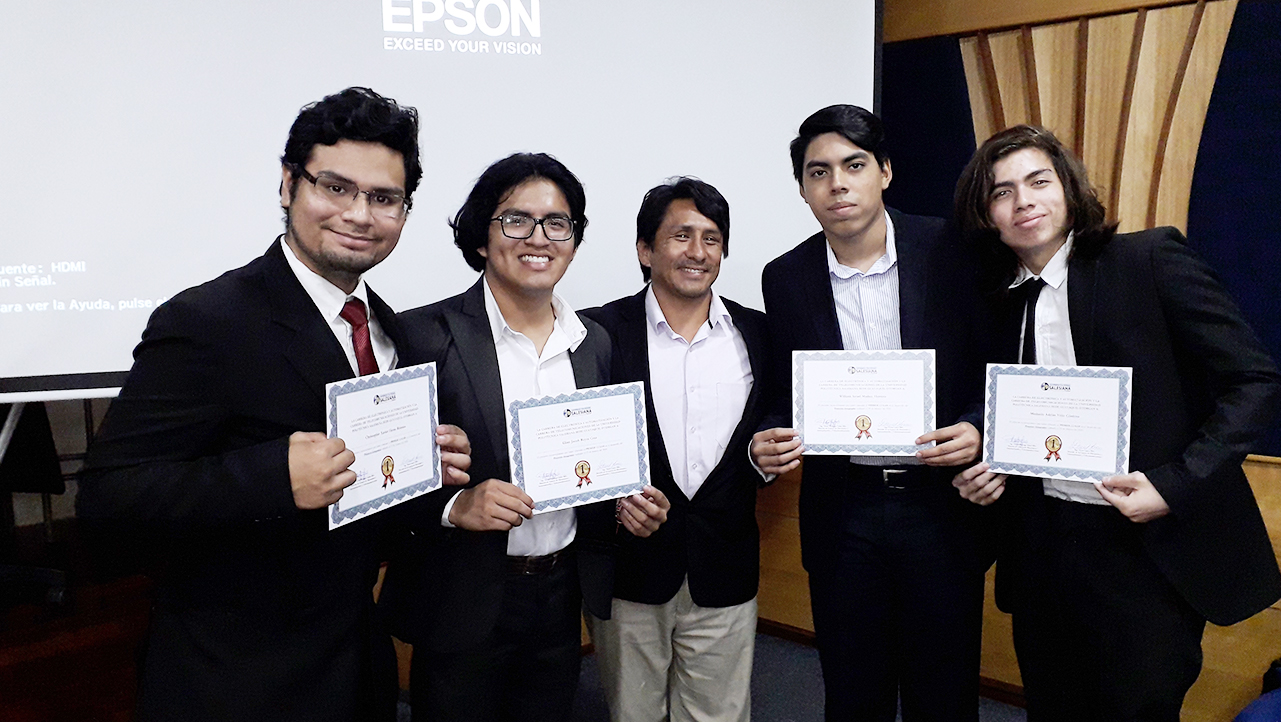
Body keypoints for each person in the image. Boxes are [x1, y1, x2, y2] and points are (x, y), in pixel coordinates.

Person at [76, 87, 472, 722]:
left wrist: (429, 478)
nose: (360, 214)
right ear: (289, 185)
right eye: (335, 187)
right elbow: (107, 501)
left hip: (356, 670)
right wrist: (270, 477)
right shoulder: (208, 320)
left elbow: (366, 509)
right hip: (237, 681)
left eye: (383, 198)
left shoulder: (395, 333)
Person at [951, 124, 1281, 721]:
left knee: (1138, 710)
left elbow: (1254, 381)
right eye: (1002, 192)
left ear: (1068, 188)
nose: (1023, 200)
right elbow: (1002, 407)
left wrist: (1173, 484)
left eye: (1038, 181)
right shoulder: (995, 300)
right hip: (1042, 546)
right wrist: (987, 460)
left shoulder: (1147, 259)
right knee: (1053, 708)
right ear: (986, 216)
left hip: (1143, 549)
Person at [378, 152, 671, 722]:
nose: (539, 237)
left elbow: (592, 466)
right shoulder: (421, 336)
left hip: (560, 596)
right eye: (516, 219)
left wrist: (626, 504)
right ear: (482, 237)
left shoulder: (595, 344)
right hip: (463, 599)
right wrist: (453, 505)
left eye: (557, 223)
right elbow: (378, 479)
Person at [750, 104, 988, 721]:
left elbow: (997, 363)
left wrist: (980, 427)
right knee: (854, 693)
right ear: (803, 188)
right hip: (842, 509)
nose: (837, 184)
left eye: (853, 165)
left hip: (939, 506)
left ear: (884, 171)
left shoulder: (951, 251)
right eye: (818, 172)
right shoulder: (785, 277)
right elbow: (784, 390)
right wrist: (763, 440)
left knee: (945, 692)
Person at [580, 178, 768, 722]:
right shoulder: (593, 333)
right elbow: (572, 448)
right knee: (632, 713)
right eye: (680, 235)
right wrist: (611, 502)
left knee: (720, 714)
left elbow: (770, 430)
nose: (697, 251)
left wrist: (765, 459)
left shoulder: (759, 334)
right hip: (630, 569)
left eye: (711, 238)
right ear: (645, 249)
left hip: (726, 562)